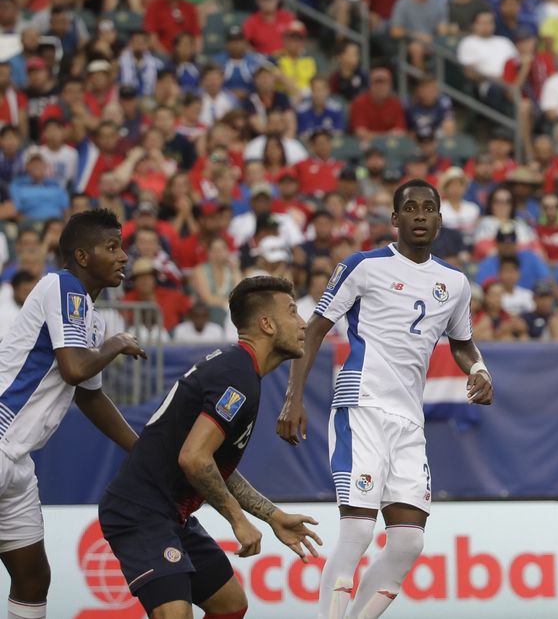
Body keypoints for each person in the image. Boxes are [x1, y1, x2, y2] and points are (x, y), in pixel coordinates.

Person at [277, 180, 494, 619]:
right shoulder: (363, 266)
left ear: (439, 218)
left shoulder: (453, 283)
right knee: (357, 531)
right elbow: (314, 329)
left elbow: (462, 342)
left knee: (409, 542)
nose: (419, 215)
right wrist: (292, 398)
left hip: (409, 421)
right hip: (364, 405)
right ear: (394, 219)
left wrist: (479, 369)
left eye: (428, 208)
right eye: (409, 208)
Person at [99, 276, 321, 618]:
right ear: (266, 324)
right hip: (140, 511)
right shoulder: (238, 376)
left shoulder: (240, 369)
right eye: (292, 312)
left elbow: (209, 462)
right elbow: (194, 458)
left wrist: (273, 516)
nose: (303, 323)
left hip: (172, 513)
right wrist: (238, 520)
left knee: (230, 604)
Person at [0, 209, 146, 619]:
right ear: (82, 257)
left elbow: (89, 396)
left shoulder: (91, 320)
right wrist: (117, 344)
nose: (123, 257)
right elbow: (75, 368)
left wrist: (141, 448)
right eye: (111, 247)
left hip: (17, 460)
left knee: (33, 578)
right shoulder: (62, 285)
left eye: (122, 247)